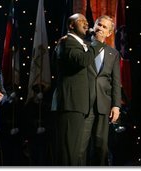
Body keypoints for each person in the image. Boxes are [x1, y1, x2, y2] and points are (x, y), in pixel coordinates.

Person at [51, 13, 105, 165]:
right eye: (81, 21)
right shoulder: (68, 42)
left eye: (87, 21)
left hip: (78, 105)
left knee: (74, 151)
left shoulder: (79, 43)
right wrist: (98, 43)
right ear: (71, 25)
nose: (86, 23)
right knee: (68, 152)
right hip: (70, 103)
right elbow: (82, 60)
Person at [82, 15, 121, 166]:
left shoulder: (113, 53)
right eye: (99, 25)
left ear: (109, 33)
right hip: (84, 103)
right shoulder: (83, 47)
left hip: (104, 105)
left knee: (101, 147)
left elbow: (116, 82)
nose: (100, 28)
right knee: (81, 147)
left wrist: (116, 105)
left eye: (105, 27)